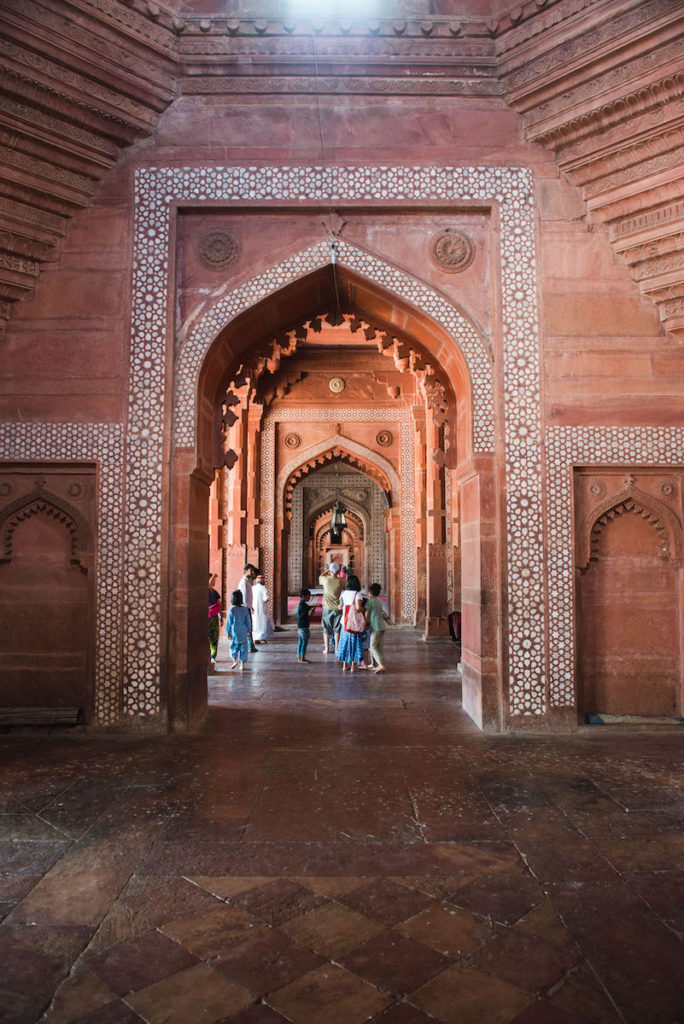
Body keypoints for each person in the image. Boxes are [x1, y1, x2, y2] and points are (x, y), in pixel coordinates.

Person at [337, 574, 367, 672]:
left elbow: (340, 606)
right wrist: (364, 609)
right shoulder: (357, 594)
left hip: (344, 622)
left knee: (345, 643)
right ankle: (353, 666)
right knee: (354, 643)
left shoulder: (343, 593)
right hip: (353, 623)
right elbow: (358, 608)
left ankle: (345, 665)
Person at [319, 561, 345, 654]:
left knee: (326, 629)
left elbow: (321, 576)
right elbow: (344, 590)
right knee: (337, 629)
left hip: (327, 607)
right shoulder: (342, 581)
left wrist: (327, 571)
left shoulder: (326, 579)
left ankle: (327, 648)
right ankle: (337, 648)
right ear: (338, 571)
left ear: (330, 570)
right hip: (337, 607)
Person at [225, 589, 251, 671]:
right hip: (243, 631)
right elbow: (248, 621)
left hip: (234, 631)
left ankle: (234, 661)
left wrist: (228, 631)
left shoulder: (232, 610)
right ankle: (242, 664)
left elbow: (229, 622)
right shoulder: (245, 609)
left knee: (233, 647)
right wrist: (249, 630)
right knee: (243, 648)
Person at [366, 582, 387, 673]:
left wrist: (365, 623)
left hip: (376, 627)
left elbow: (367, 614)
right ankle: (380, 664)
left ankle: (381, 665)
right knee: (379, 646)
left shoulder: (369, 602)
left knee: (372, 647)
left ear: (369, 592)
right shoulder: (379, 601)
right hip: (382, 626)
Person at [238, 563, 259, 653]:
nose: (252, 572)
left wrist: (251, 606)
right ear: (246, 571)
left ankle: (250, 646)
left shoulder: (247, 581)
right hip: (244, 608)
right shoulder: (243, 582)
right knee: (247, 627)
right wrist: (247, 607)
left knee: (249, 627)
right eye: (250, 570)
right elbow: (243, 596)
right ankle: (249, 646)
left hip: (247, 607)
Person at [252, 573, 274, 643]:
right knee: (263, 623)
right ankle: (261, 638)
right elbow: (265, 599)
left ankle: (255, 638)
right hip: (262, 608)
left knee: (255, 623)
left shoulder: (253, 588)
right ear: (262, 581)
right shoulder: (263, 588)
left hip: (254, 609)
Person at [208, 573, 222, 669]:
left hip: (214, 617)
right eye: (212, 580)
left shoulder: (215, 592)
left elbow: (218, 605)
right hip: (207, 617)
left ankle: (213, 656)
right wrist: (214, 576)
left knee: (215, 637)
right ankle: (209, 655)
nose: (213, 582)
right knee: (208, 637)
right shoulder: (205, 591)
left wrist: (220, 616)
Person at [297, 588, 314, 663]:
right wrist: (310, 614)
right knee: (304, 642)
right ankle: (302, 658)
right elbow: (304, 614)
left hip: (300, 626)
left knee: (301, 641)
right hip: (304, 626)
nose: (309, 598)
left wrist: (314, 606)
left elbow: (308, 607)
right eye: (308, 596)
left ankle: (299, 657)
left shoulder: (302, 603)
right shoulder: (302, 605)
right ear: (304, 596)